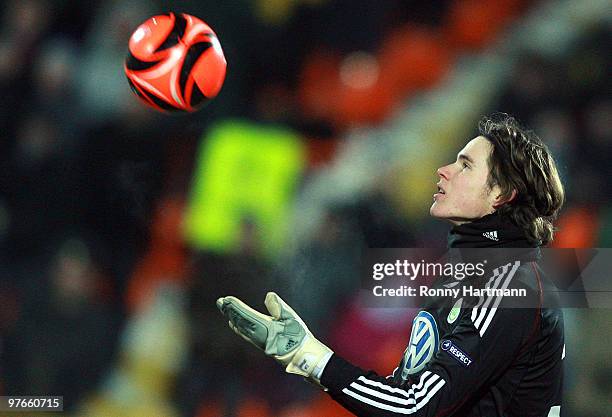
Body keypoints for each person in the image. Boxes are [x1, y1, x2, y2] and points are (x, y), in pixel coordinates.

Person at [216, 113, 565, 416]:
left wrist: (309, 356)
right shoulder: (464, 272)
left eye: (465, 165)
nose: (443, 171)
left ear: (501, 195)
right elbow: (407, 390)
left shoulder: (510, 286)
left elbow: (414, 407)